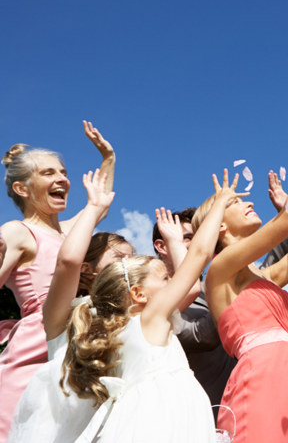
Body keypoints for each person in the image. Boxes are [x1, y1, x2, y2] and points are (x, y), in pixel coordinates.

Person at [67, 170, 240, 443]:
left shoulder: (118, 329)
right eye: (162, 279)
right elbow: (199, 257)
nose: (171, 283)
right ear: (138, 294)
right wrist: (218, 204)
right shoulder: (152, 317)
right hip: (168, 416)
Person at [198, 108, 288, 443]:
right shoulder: (219, 272)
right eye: (233, 203)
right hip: (262, 371)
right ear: (219, 225)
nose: (248, 202)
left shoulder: (263, 277)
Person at [0, 121, 114, 441]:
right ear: (23, 189)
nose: (62, 178)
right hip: (36, 348)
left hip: (73, 343)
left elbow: (98, 206)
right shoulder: (18, 232)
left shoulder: (67, 232)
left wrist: (108, 157)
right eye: (48, 173)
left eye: (62, 172)